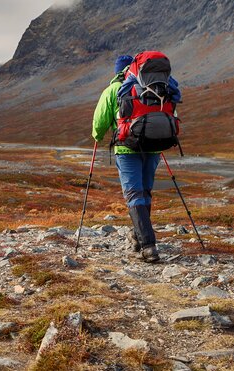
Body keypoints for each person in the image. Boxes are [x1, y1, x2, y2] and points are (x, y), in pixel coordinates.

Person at [91, 55, 161, 263]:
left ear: (117, 72)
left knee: (134, 195)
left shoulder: (112, 90)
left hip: (127, 149)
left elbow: (100, 121)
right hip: (153, 148)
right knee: (145, 192)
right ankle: (138, 238)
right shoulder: (154, 86)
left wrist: (97, 136)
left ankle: (148, 246)